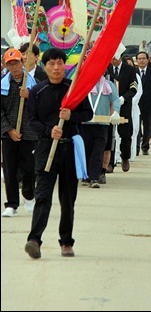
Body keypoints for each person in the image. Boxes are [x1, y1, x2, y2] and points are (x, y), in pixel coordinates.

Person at [24, 48, 93, 259]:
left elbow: (88, 114)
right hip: (46, 148)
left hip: (69, 148)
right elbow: (31, 120)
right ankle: (34, 239)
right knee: (43, 196)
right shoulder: (37, 91)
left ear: (65, 65)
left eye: (60, 63)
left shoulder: (74, 89)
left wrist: (71, 115)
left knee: (68, 198)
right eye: (52, 64)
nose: (56, 68)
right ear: (44, 67)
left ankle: (66, 242)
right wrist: (48, 131)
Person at [1, 48, 37, 217]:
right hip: (9, 134)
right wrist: (9, 130)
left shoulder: (33, 84)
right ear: (5, 65)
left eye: (16, 63)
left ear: (23, 63)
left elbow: (41, 108)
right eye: (10, 64)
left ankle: (29, 197)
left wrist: (30, 96)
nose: (14, 67)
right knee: (10, 169)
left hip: (29, 133)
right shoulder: (2, 85)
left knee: (30, 168)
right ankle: (11, 204)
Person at [81, 74, 120, 188]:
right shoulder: (83, 83)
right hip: (85, 123)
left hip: (102, 124)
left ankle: (94, 177)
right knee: (86, 150)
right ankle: (85, 175)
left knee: (98, 151)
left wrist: (116, 111)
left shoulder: (108, 84)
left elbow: (115, 99)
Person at [108, 51, 138, 172]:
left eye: (115, 58)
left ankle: (125, 157)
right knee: (109, 133)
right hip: (109, 105)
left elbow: (134, 88)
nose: (113, 61)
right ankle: (109, 162)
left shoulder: (130, 70)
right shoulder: (107, 68)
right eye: (112, 59)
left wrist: (123, 98)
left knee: (125, 133)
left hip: (124, 105)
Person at [136, 51, 151, 155]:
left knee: (147, 126)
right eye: (139, 58)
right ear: (136, 60)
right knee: (136, 127)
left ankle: (145, 146)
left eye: (143, 58)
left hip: (148, 104)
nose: (141, 60)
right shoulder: (133, 72)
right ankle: (136, 146)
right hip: (136, 104)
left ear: (147, 60)